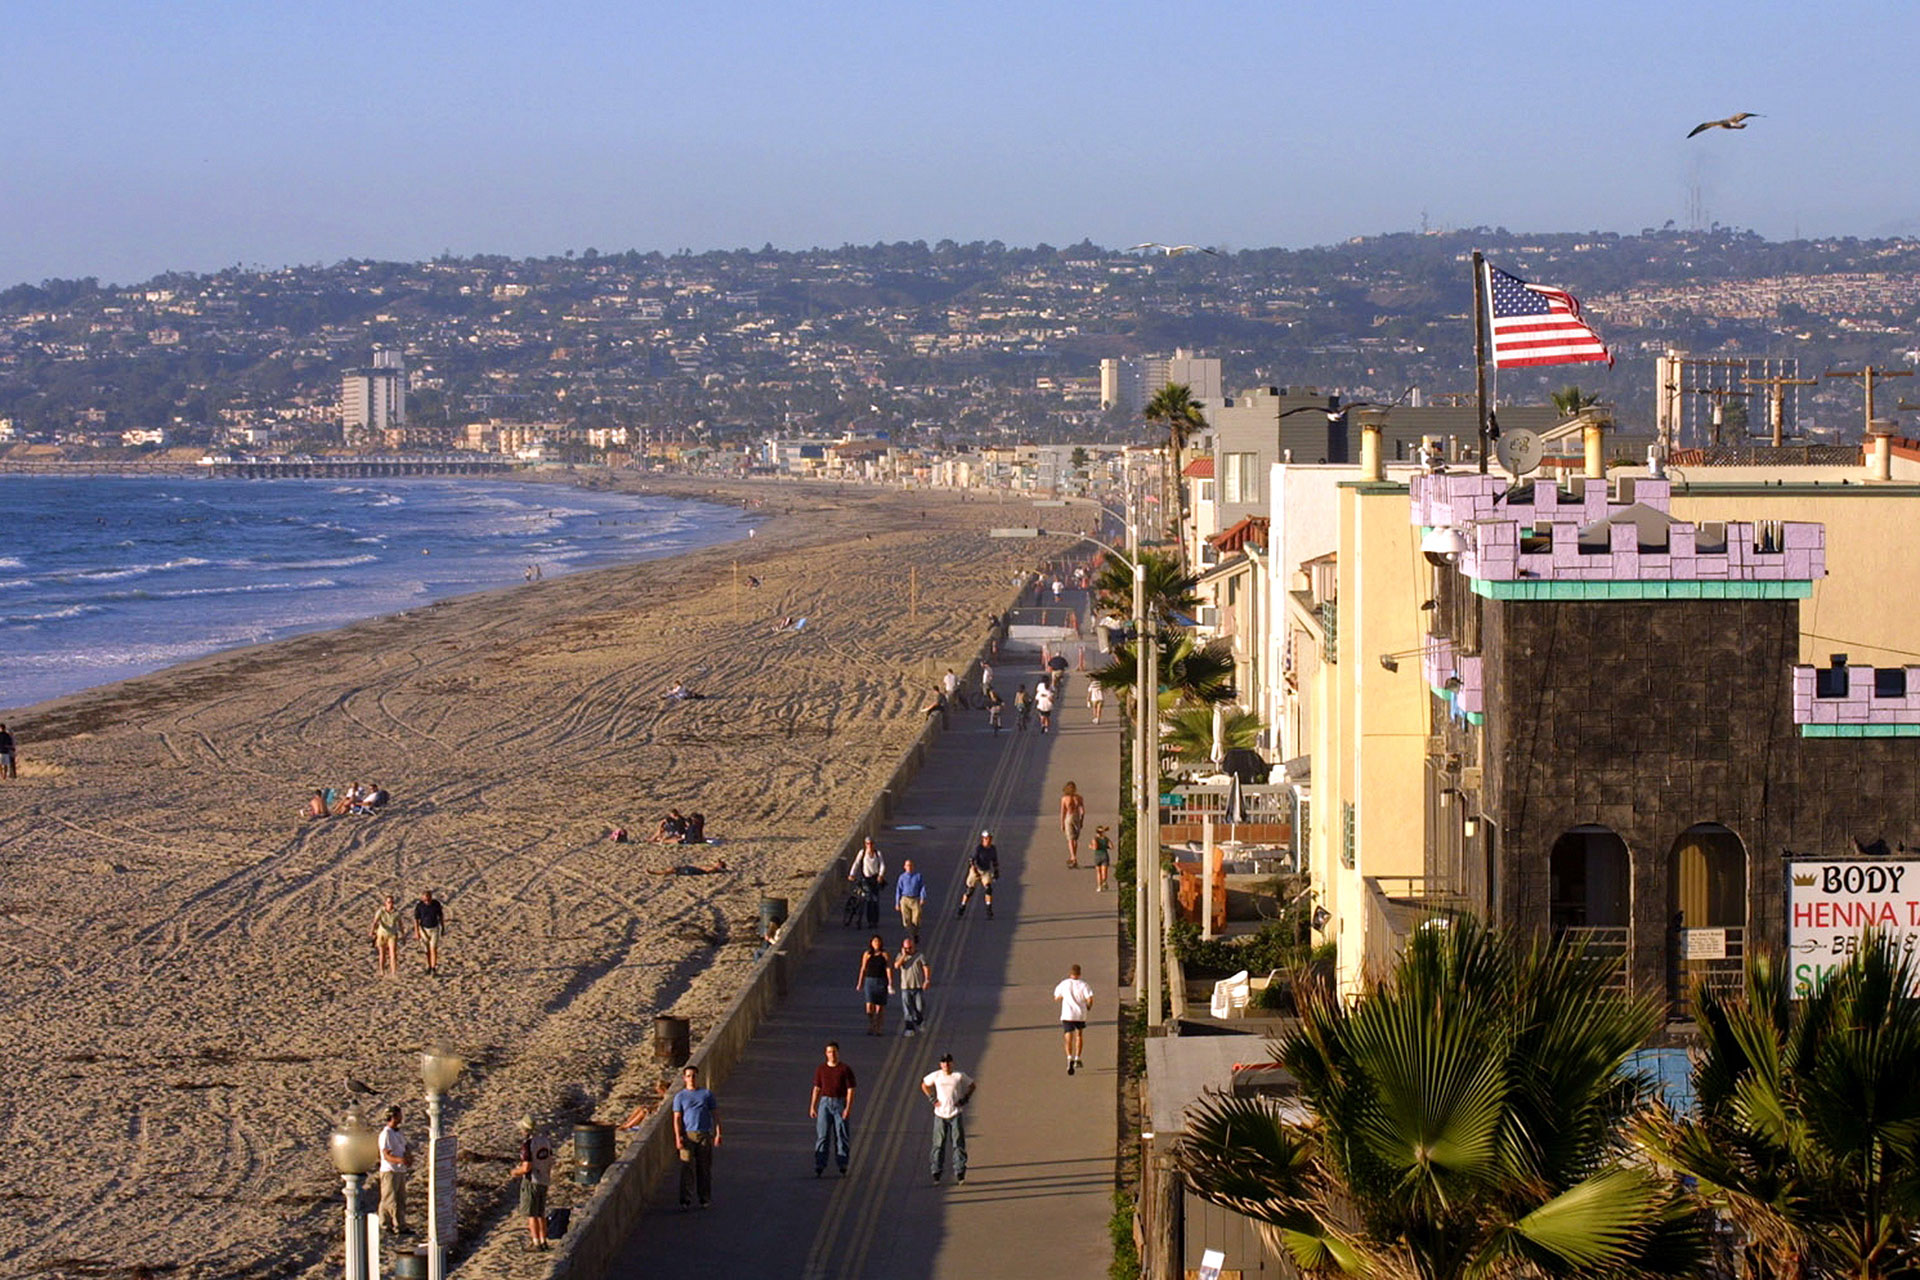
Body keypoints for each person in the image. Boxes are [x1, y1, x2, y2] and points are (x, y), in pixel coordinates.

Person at [671, 1065, 720, 1208]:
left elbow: (715, 1114)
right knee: (687, 1167)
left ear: (698, 1077)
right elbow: (677, 1118)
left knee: (704, 1167)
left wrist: (718, 1133)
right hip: (688, 1135)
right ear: (684, 1078)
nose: (691, 1078)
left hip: (704, 1133)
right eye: (688, 1076)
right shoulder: (680, 1096)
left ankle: (704, 1198)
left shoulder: (707, 1094)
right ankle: (685, 1199)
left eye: (693, 1076)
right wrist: (678, 1136)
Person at [922, 1051, 974, 1184]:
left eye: (948, 1062)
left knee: (958, 1144)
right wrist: (932, 1099)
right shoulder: (936, 1075)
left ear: (952, 1063)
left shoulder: (958, 1076)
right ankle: (936, 1171)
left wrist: (965, 1099)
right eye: (944, 1062)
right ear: (941, 1064)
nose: (946, 1065)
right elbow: (924, 1084)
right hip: (940, 1115)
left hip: (955, 1113)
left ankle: (960, 1171)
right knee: (938, 1144)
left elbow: (972, 1085)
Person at [808, 1041, 857, 1176]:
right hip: (825, 1103)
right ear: (826, 1054)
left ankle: (842, 1164)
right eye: (829, 1052)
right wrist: (813, 1106)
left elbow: (850, 1090)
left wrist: (847, 1108)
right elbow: (817, 1088)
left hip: (839, 1102)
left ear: (838, 1053)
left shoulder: (845, 1069)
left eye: (834, 1052)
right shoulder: (821, 1069)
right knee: (822, 1135)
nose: (832, 1054)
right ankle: (820, 1164)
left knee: (841, 1135)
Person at [512, 1116, 555, 1251]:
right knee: (540, 1213)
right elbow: (550, 1159)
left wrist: (515, 1172)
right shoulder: (545, 1141)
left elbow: (527, 1167)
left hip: (532, 1180)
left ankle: (536, 1242)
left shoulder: (527, 1145)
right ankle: (543, 1241)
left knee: (532, 1214)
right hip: (544, 1179)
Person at [1054, 963, 1095, 1075]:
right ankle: (1077, 1058)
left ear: (1070, 973)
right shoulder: (1084, 985)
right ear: (1079, 974)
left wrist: (1065, 996)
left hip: (1067, 1014)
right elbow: (1090, 999)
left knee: (1068, 1036)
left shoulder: (1064, 984)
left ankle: (1069, 1057)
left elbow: (1056, 997)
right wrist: (1088, 1007)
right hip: (1080, 1014)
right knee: (1079, 1035)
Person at [378, 1106, 411, 1237]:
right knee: (389, 1199)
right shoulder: (386, 1134)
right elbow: (386, 1155)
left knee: (400, 1199)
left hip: (399, 1170)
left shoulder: (398, 1133)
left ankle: (400, 1225)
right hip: (390, 1170)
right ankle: (385, 1224)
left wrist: (408, 1157)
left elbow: (404, 1147)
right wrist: (400, 1160)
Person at [957, 830, 999, 920]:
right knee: (970, 891)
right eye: (986, 838)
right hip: (976, 870)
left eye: (990, 838)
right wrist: (974, 869)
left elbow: (994, 861)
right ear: (983, 839)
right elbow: (971, 860)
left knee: (988, 889)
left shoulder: (992, 849)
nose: (988, 840)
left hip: (985, 871)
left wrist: (996, 871)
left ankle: (989, 910)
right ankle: (962, 907)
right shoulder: (978, 849)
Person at [856, 934, 892, 1035]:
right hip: (869, 981)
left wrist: (890, 982)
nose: (876, 944)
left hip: (881, 981)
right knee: (869, 1006)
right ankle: (872, 1024)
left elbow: (888, 968)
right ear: (871, 943)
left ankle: (879, 1027)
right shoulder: (867, 954)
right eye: (874, 942)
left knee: (879, 1007)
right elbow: (863, 968)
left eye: (878, 942)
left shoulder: (884, 954)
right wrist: (860, 983)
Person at [894, 936, 931, 1036]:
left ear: (914, 946)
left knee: (919, 1007)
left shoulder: (920, 956)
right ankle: (909, 1028)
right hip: (905, 987)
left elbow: (926, 967)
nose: (908, 950)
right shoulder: (900, 955)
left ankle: (919, 1021)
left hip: (917, 986)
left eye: (910, 948)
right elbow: (896, 966)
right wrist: (903, 956)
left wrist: (927, 980)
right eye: (906, 948)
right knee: (907, 1009)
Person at [847, 836, 885, 928]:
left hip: (874, 879)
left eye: (871, 844)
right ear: (865, 844)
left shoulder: (877, 853)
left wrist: (880, 875)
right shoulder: (862, 853)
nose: (870, 845)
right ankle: (867, 920)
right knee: (867, 899)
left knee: (875, 900)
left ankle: (874, 921)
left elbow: (882, 865)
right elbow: (856, 863)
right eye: (868, 844)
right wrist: (852, 874)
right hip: (865, 878)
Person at [413, 889, 446, 975]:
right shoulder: (420, 906)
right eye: (425, 898)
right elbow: (416, 919)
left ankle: (433, 967)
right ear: (422, 898)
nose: (427, 900)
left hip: (434, 928)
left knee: (433, 948)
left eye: (428, 897)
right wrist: (416, 932)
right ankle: (429, 966)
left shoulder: (436, 904)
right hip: (424, 929)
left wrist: (443, 926)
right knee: (427, 950)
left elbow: (440, 915)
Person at [894, 858, 926, 937]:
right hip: (905, 899)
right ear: (904, 867)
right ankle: (909, 935)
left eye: (911, 865)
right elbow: (899, 890)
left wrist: (922, 898)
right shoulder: (902, 877)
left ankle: (915, 932)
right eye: (907, 865)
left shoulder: (918, 876)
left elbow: (922, 887)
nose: (909, 867)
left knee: (917, 917)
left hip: (915, 899)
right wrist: (897, 903)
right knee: (906, 919)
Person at [371, 894, 401, 977]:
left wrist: (403, 934)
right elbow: (375, 922)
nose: (390, 904)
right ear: (385, 903)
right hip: (382, 934)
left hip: (392, 934)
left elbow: (400, 923)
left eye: (391, 902)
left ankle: (394, 972)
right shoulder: (381, 911)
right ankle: (382, 970)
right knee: (382, 953)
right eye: (388, 902)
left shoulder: (396, 913)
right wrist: (372, 931)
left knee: (393, 954)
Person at [1060, 781, 1087, 868]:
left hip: (1069, 817)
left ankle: (1073, 857)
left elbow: (1063, 812)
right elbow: (1082, 811)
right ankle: (1074, 856)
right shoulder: (1079, 798)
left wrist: (1062, 823)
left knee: (1070, 839)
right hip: (1077, 818)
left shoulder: (1064, 799)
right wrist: (1081, 821)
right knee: (1075, 839)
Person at [648, 857, 729, 875]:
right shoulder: (713, 867)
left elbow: (706, 871)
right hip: (693, 869)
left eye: (718, 863)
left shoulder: (712, 869)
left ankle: (657, 873)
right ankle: (658, 872)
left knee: (674, 870)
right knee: (674, 869)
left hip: (693, 870)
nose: (716, 863)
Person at [1091, 825, 1113, 893]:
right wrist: (1106, 846)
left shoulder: (1095, 839)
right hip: (1105, 855)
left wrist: (1090, 846)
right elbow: (1111, 846)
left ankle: (1099, 886)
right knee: (1104, 872)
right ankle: (1104, 881)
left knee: (1098, 872)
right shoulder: (1106, 839)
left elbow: (1095, 847)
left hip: (1098, 856)